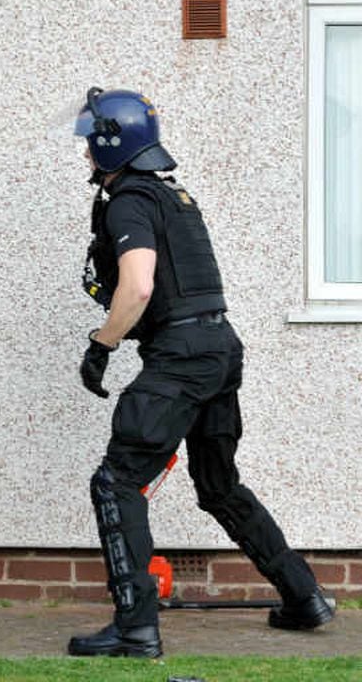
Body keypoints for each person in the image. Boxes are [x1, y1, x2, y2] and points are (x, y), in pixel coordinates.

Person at [67, 87, 335, 658]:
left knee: (116, 482)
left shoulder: (129, 200)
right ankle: (304, 595)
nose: (85, 154)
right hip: (219, 347)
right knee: (219, 485)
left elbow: (138, 285)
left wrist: (102, 344)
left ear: (111, 146)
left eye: (91, 144)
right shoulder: (176, 197)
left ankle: (136, 628)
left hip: (182, 355)